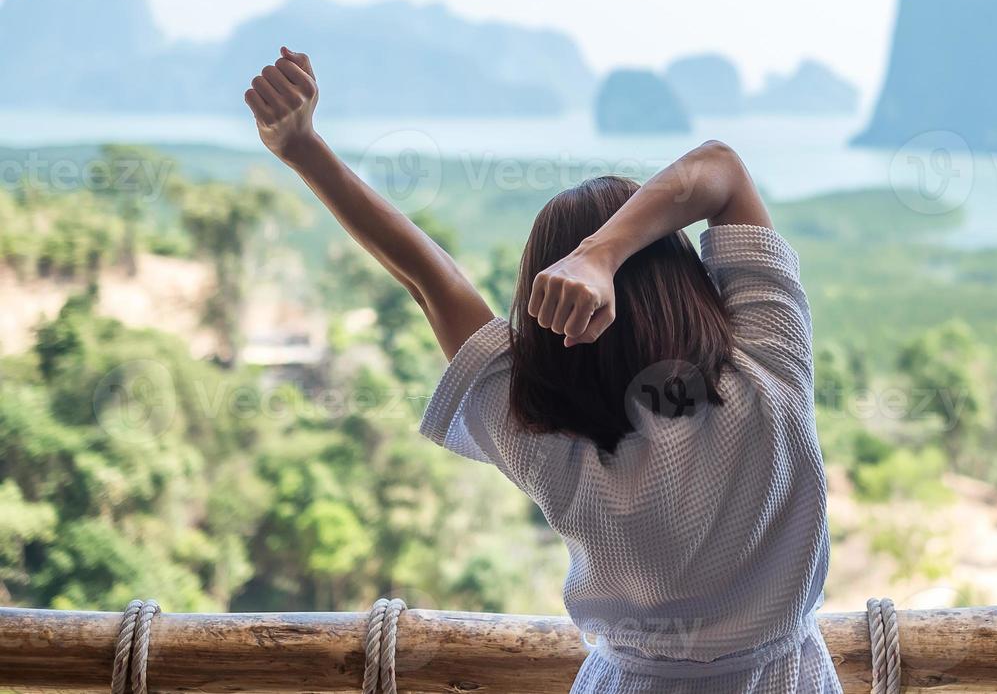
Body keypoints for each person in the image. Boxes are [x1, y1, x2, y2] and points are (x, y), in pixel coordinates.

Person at [245, 48, 841, 694]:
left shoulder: (541, 439)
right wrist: (604, 254)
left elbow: (428, 278)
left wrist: (302, 149)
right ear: (686, 281)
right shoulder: (771, 369)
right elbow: (721, 169)